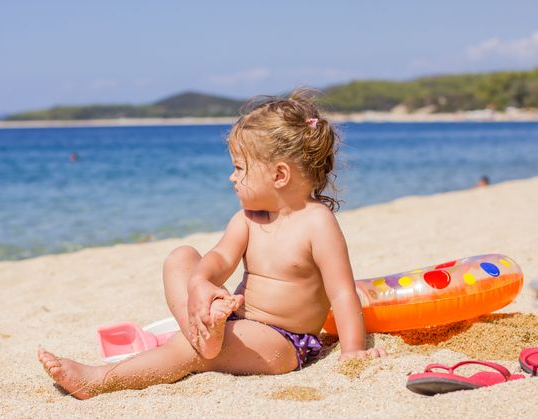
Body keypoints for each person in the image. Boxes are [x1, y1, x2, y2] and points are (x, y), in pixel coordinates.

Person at [38, 88, 386, 399]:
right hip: (233, 319)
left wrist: (353, 350)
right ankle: (202, 329)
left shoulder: (317, 223)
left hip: (281, 341)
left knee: (189, 352)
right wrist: (201, 284)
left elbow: (342, 292)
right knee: (182, 256)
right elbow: (219, 259)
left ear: (279, 175)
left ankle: (100, 380)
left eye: (239, 168)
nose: (231, 177)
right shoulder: (248, 220)